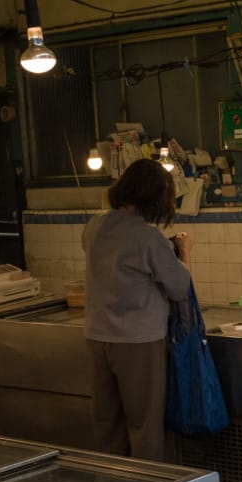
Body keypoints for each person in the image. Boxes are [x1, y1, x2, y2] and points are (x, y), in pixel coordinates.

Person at [83, 158, 192, 462]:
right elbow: (179, 285)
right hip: (138, 341)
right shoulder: (147, 236)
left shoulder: (95, 226)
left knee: (107, 422)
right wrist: (183, 253)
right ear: (155, 197)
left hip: (97, 335)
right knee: (144, 424)